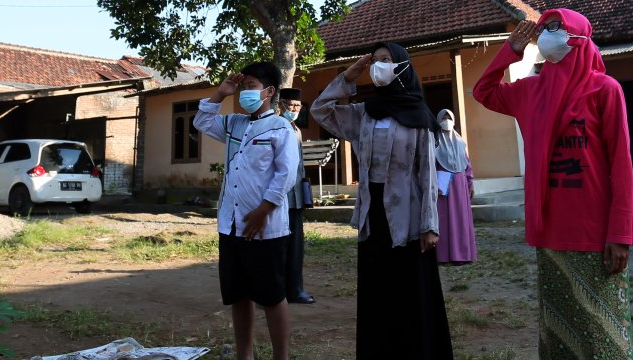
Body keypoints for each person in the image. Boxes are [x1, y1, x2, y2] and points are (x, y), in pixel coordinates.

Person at [473, 11, 633, 360]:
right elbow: (483, 91)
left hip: (594, 231)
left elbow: (621, 165)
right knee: (558, 326)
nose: (547, 34)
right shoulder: (530, 91)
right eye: (544, 28)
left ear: (579, 38)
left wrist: (621, 233)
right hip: (550, 228)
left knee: (601, 333)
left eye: (556, 27)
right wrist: (510, 50)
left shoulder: (605, 89)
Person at [311, 41, 453, 360]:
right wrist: (347, 78)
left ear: (402, 66)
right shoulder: (364, 113)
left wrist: (430, 225)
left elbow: (427, 174)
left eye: (386, 60)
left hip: (409, 215)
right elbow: (320, 110)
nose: (378, 66)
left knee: (411, 290)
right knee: (378, 289)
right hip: (372, 212)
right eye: (375, 60)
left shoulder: (419, 116)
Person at [193, 62, 299, 360]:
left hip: (266, 227)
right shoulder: (234, 124)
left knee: (272, 296)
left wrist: (264, 210)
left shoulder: (281, 128)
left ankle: (281, 356)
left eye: (251, 86)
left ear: (269, 91)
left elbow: (286, 175)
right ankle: (244, 354)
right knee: (238, 294)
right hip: (231, 224)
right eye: (243, 87)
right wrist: (220, 93)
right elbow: (201, 122)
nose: (244, 93)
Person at [276, 88, 315, 303]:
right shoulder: (276, 126)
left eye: (298, 106)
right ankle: (277, 291)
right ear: (280, 105)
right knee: (279, 246)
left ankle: (294, 289)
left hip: (296, 197)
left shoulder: (296, 129)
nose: (294, 109)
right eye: (290, 105)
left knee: (295, 246)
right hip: (279, 197)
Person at [434, 108, 477, 264]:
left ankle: (463, 255)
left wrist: (470, 183)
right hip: (442, 184)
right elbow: (430, 165)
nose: (446, 121)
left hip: (460, 184)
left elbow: (467, 165)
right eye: (443, 118)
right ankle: (444, 256)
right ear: (438, 121)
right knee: (444, 219)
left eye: (449, 118)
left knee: (460, 218)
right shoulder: (435, 141)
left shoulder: (460, 142)